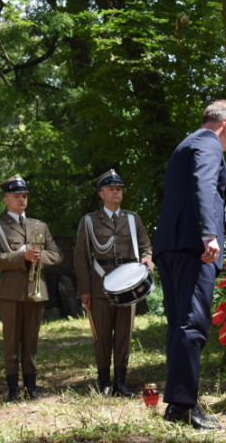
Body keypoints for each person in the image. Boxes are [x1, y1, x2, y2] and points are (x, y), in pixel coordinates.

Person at [153, 100, 226, 430]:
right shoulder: (210, 144)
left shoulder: (186, 145)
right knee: (193, 324)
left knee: (178, 325)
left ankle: (177, 404)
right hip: (194, 249)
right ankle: (184, 406)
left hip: (172, 246)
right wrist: (207, 233)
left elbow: (204, 199)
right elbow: (203, 185)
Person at [74, 169, 153, 397]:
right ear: (101, 194)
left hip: (129, 286)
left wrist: (147, 258)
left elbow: (146, 245)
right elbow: (81, 258)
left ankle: (121, 382)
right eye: (111, 189)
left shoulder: (132, 218)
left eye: (119, 189)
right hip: (99, 286)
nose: (116, 192)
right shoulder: (89, 221)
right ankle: (104, 383)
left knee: (123, 336)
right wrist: (85, 291)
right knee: (101, 337)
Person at [0, 174, 63, 401]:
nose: (22, 199)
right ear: (5, 199)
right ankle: (13, 390)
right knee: (11, 342)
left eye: (24, 196)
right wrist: (22, 257)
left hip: (36, 290)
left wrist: (39, 257)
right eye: (16, 196)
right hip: (10, 292)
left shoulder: (39, 225)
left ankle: (31, 387)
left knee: (31, 342)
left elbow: (57, 255)